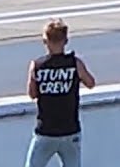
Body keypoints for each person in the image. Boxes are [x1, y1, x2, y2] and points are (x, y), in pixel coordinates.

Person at [24, 19, 95, 167]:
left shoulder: (37, 66)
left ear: (45, 41)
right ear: (66, 40)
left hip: (46, 131)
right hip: (70, 130)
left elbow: (32, 94)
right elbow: (90, 83)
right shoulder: (75, 64)